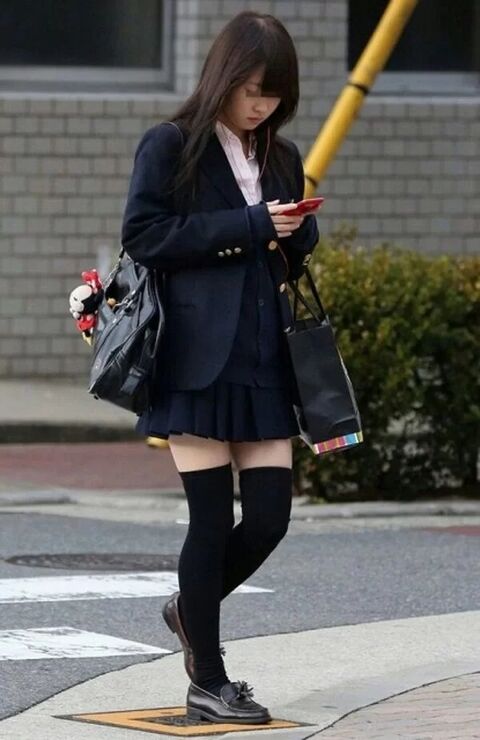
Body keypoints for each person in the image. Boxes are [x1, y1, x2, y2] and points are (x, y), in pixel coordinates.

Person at [121, 10, 321, 725]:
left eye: (274, 93)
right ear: (223, 78)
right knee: (209, 524)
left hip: (263, 356)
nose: (261, 104)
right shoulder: (171, 144)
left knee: (268, 519)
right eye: (251, 89)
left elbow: (290, 252)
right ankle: (209, 680)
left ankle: (188, 608)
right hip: (195, 359)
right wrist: (253, 224)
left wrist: (297, 228)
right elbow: (145, 235)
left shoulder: (282, 155)